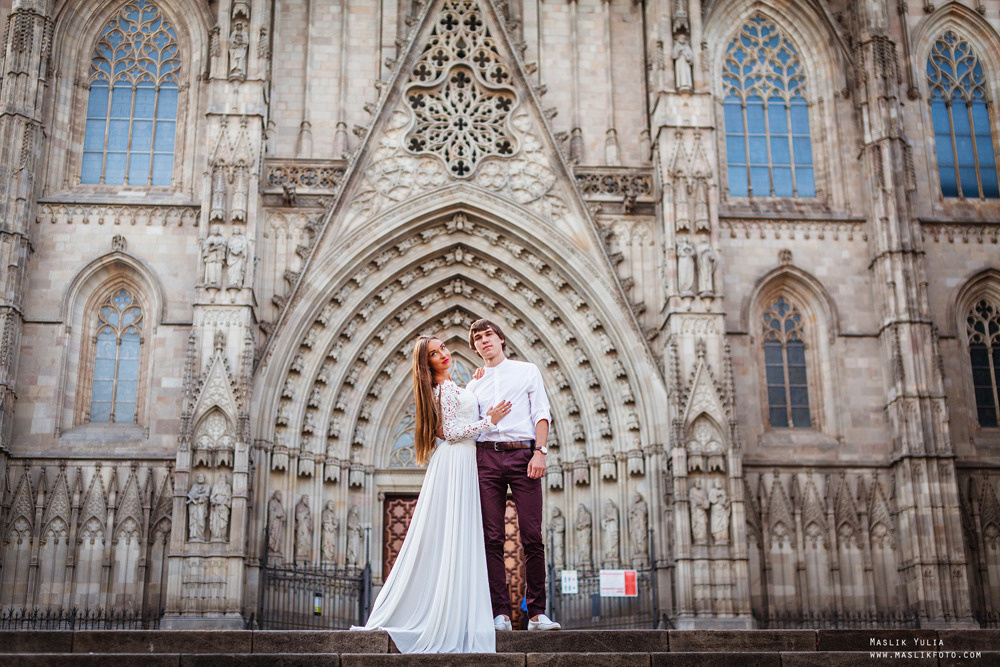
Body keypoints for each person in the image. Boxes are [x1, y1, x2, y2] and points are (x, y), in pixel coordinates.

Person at [355, 336, 511, 653]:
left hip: (465, 460)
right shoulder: (440, 391)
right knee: (457, 535)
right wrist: (489, 421)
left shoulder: (452, 388)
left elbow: (457, 415)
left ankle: (461, 613)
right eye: (434, 353)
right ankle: (450, 616)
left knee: (463, 536)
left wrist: (476, 384)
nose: (443, 354)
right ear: (426, 363)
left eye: (443, 348)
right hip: (457, 460)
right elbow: (451, 432)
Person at [466, 318, 561, 631]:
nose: (484, 341)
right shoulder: (474, 384)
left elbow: (541, 413)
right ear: (475, 347)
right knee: (491, 539)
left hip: (524, 455)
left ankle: (536, 614)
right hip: (486, 458)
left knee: (532, 536)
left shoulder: (526, 370)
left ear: (501, 339)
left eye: (488, 335)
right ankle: (501, 614)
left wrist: (540, 452)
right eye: (477, 338)